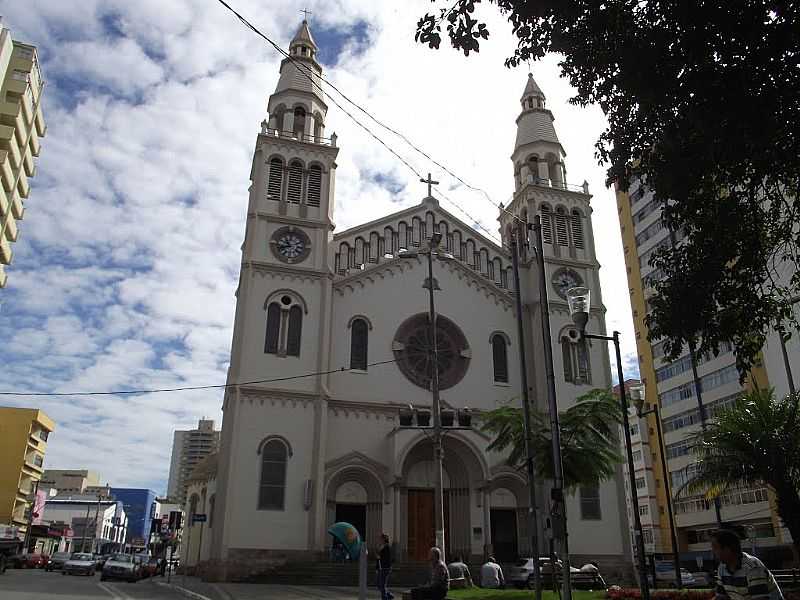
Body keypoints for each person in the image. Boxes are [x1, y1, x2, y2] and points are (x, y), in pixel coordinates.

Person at [712, 529, 783, 600]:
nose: (713, 551)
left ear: (727, 549)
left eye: (715, 547)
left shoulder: (752, 567)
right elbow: (721, 597)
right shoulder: (722, 568)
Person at [376, 533, 394, 600]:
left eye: (380, 539)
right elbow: (379, 557)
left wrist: (379, 557)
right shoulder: (382, 546)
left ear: (384, 539)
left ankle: (384, 598)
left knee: (382, 584)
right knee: (378, 584)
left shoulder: (387, 547)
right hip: (381, 567)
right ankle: (389, 595)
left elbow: (387, 558)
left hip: (385, 568)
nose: (379, 540)